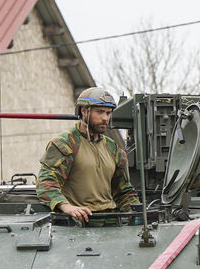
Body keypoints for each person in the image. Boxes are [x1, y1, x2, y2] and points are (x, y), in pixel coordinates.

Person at [36, 88, 140, 224]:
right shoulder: (66, 143)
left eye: (108, 113)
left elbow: (123, 190)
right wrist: (66, 207)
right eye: (100, 112)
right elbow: (46, 183)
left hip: (111, 223)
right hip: (78, 223)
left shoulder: (112, 148)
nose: (105, 118)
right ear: (84, 111)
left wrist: (137, 213)